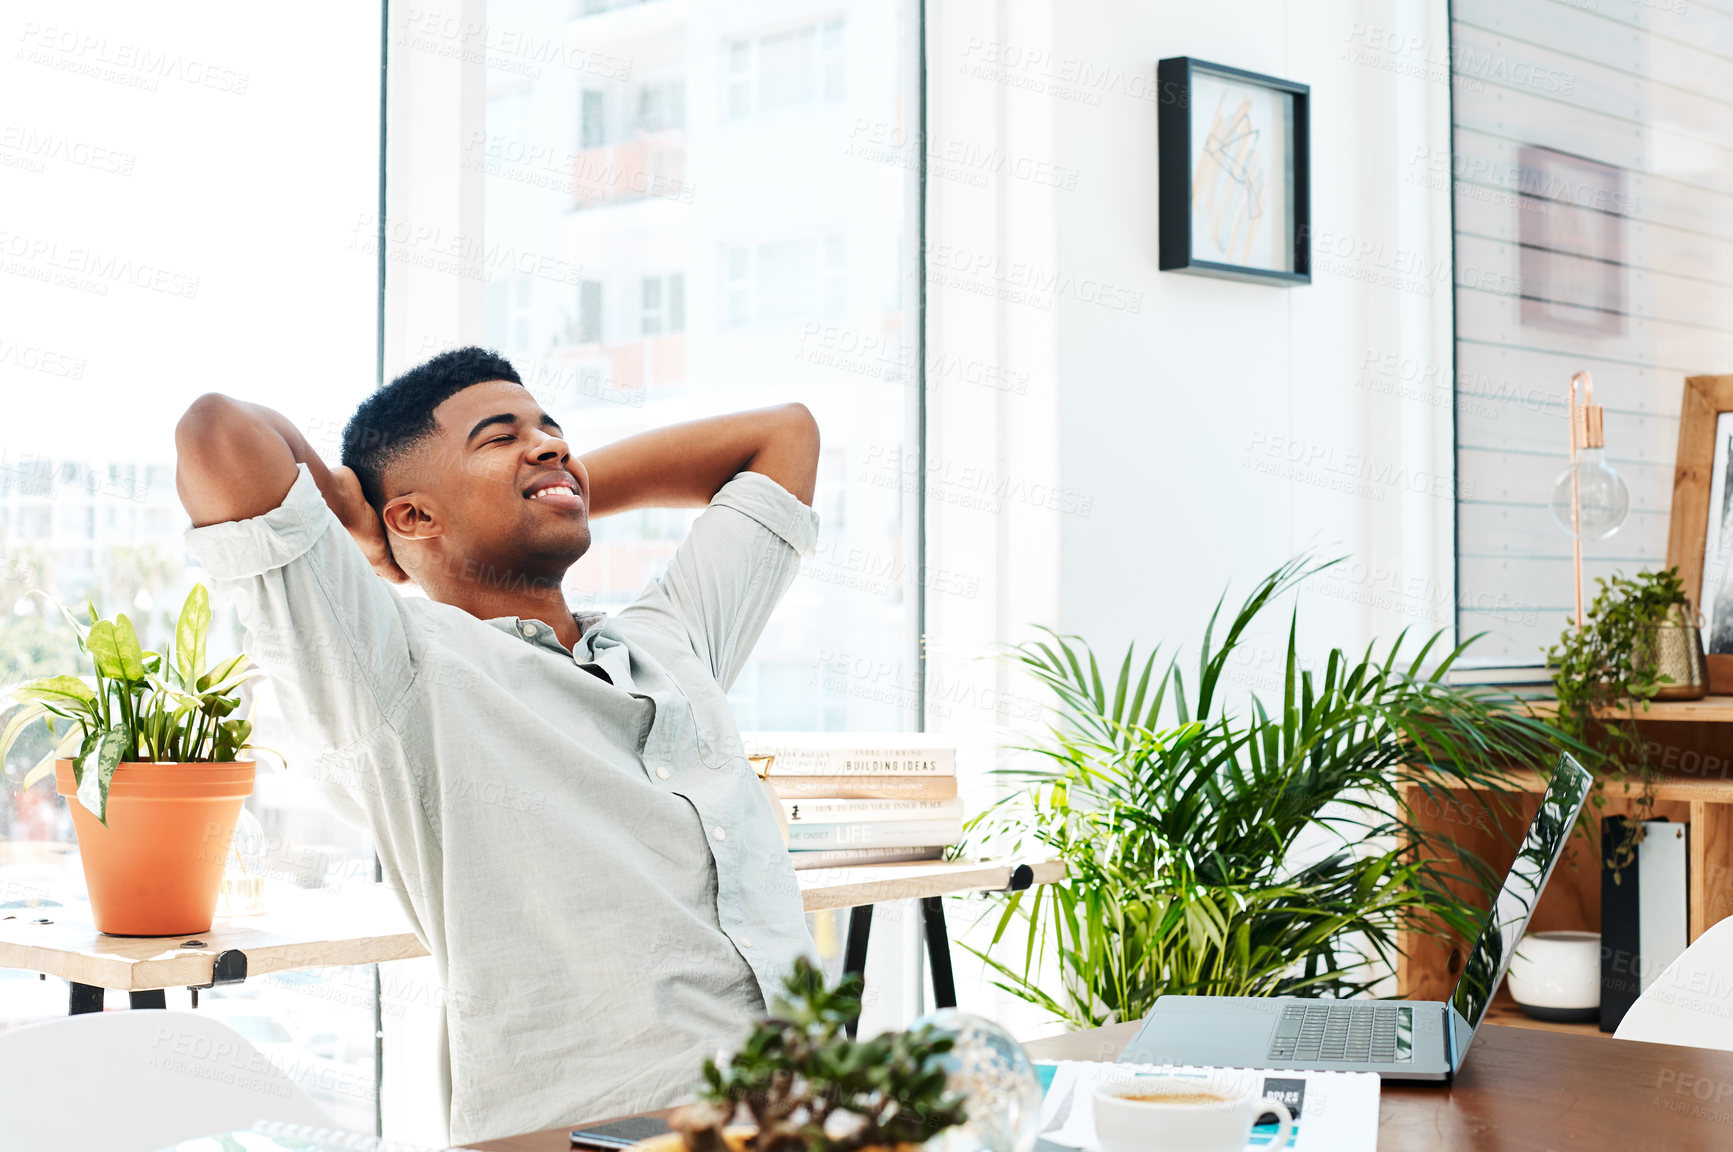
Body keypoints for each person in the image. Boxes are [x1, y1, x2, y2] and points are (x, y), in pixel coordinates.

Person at [174, 346, 821, 1144]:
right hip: (607, 1126)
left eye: (551, 430)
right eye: (498, 436)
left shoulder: (668, 639)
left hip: (804, 1101)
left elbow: (784, 438)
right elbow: (218, 434)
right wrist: (356, 517)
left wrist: (552, 485)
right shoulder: (397, 668)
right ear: (410, 516)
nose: (549, 442)